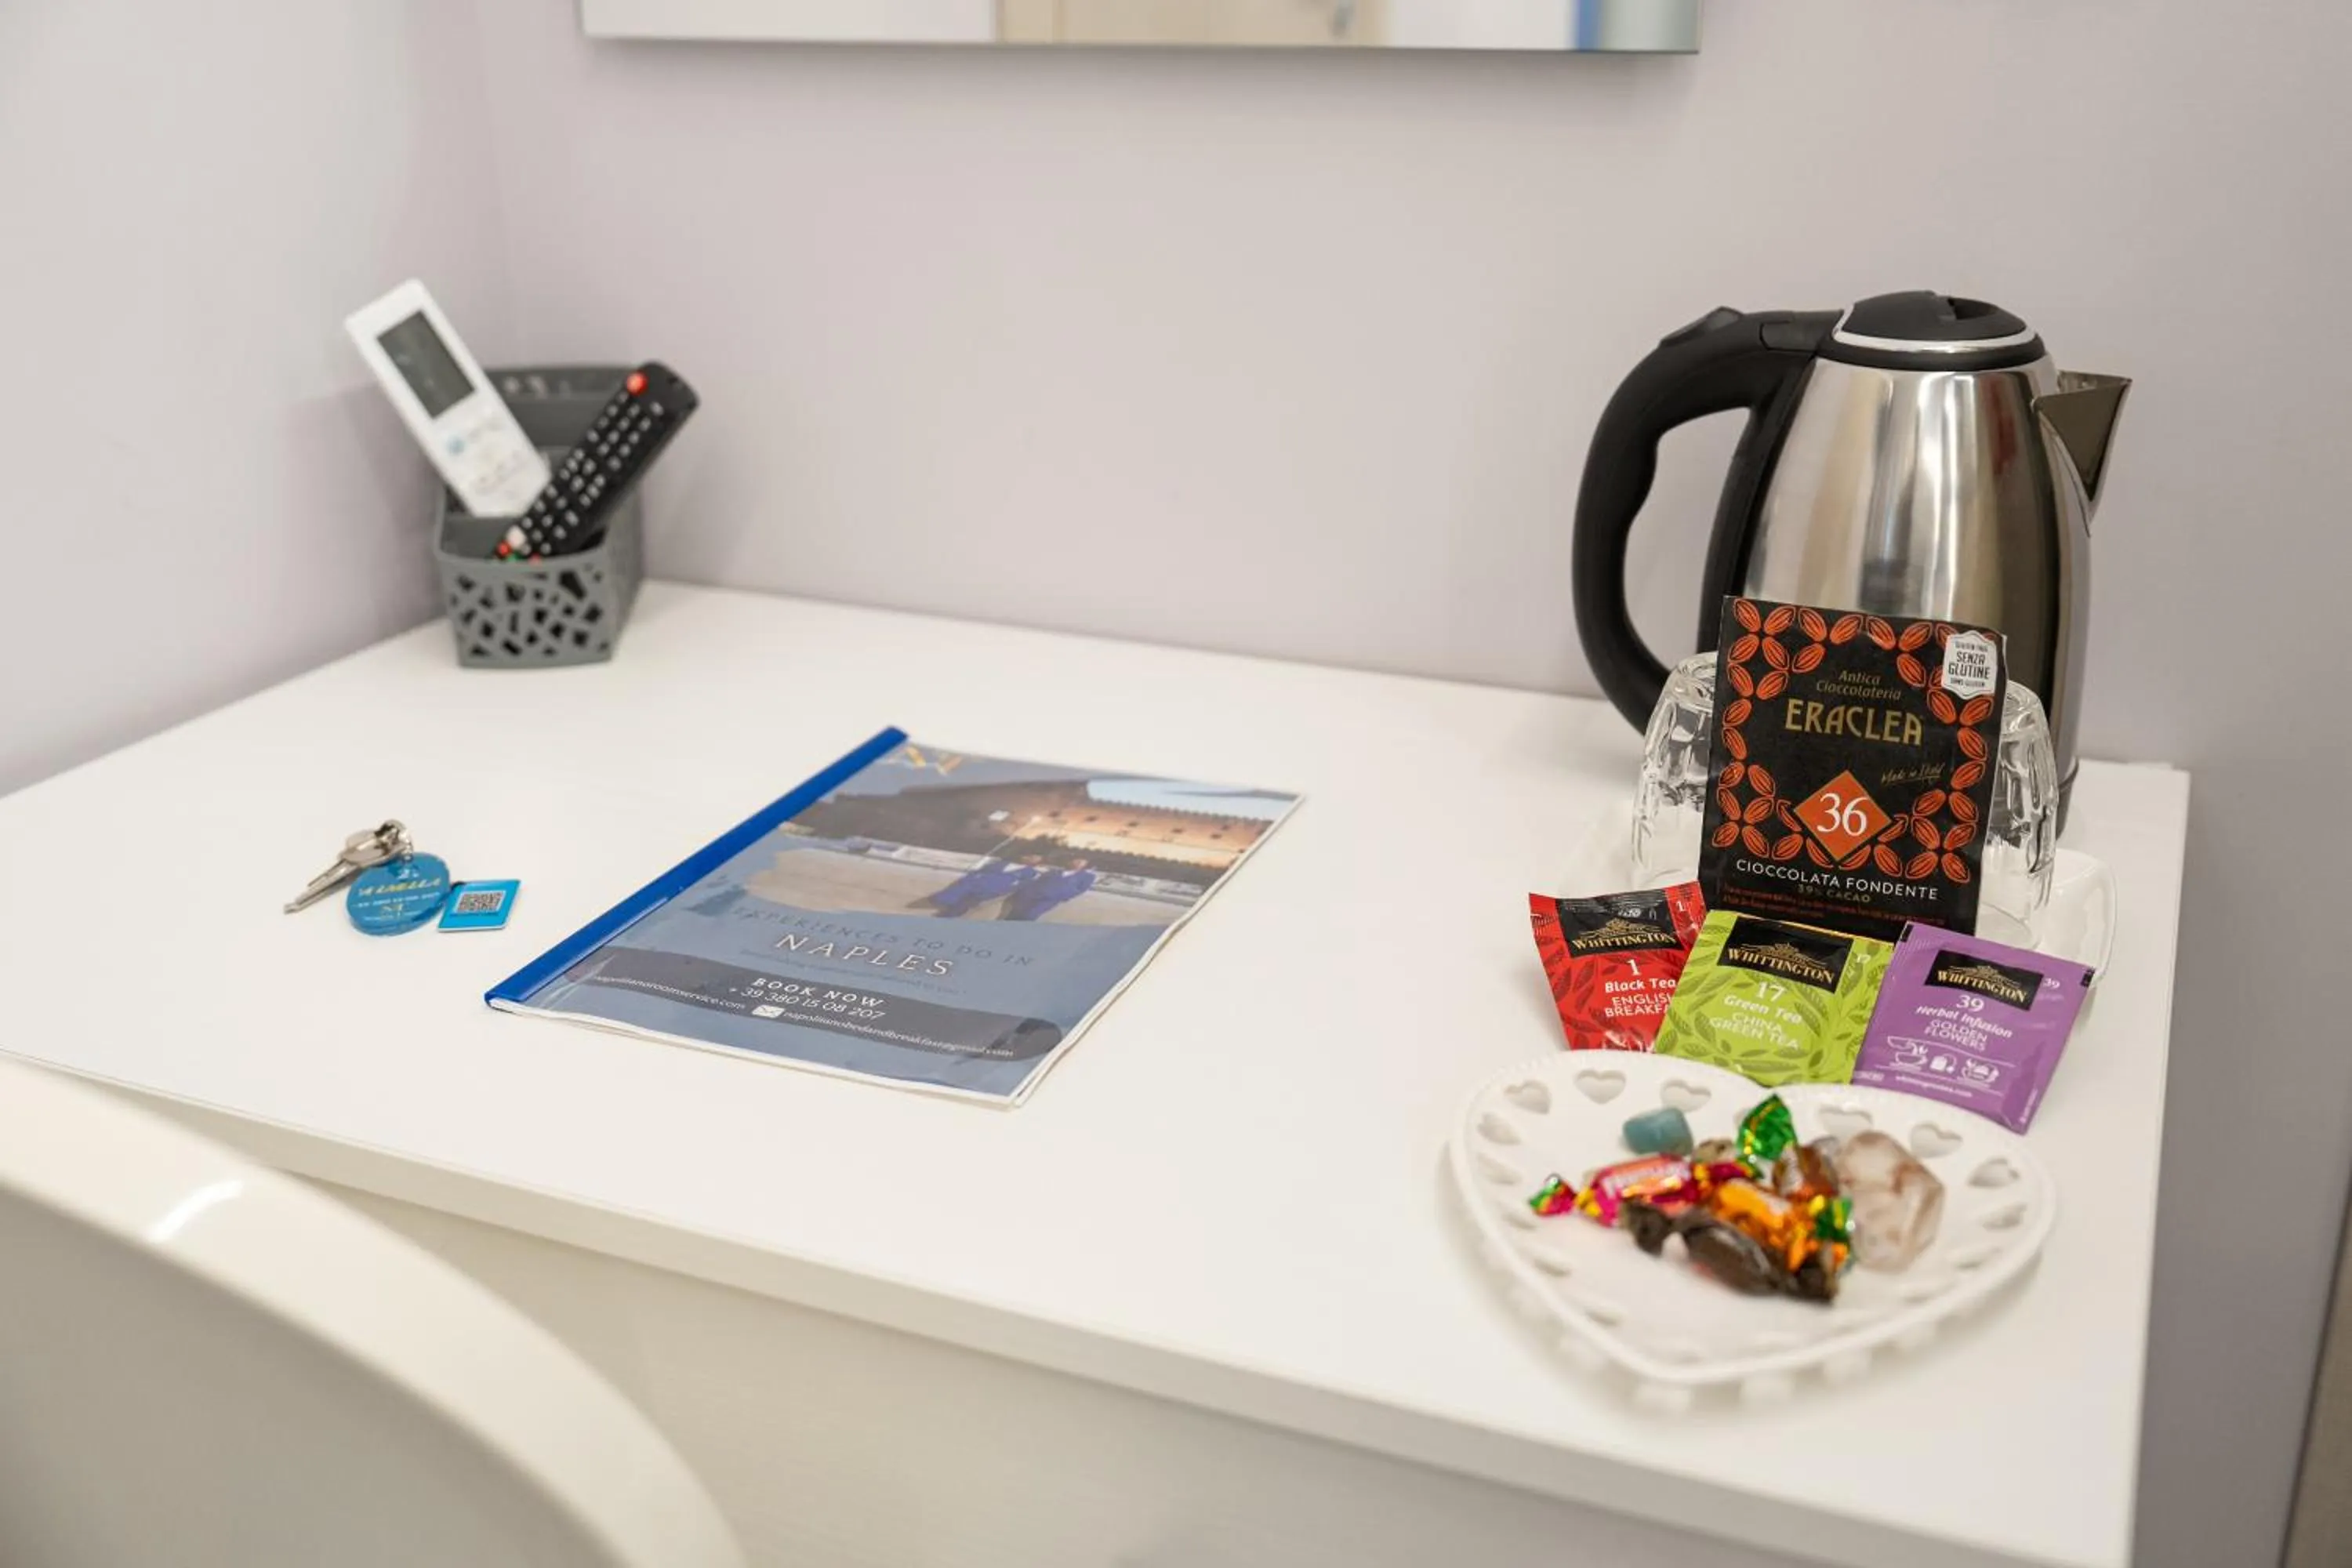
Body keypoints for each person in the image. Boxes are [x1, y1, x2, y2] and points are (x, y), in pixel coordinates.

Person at [915, 855, 1041, 919]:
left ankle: (945, 917)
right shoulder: (1003, 863)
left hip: (990, 890)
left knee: (965, 904)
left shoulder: (1030, 873)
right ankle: (942, 908)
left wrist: (1002, 890)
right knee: (956, 896)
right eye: (1029, 856)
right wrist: (974, 877)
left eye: (1034, 858)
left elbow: (1021, 885)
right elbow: (982, 870)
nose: (1029, 858)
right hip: (977, 883)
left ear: (1036, 863)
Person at [997, 857, 1097, 922]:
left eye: (1081, 862)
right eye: (1075, 860)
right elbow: (1039, 881)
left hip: (1049, 899)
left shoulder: (1086, 877)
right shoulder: (1055, 872)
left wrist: (1063, 896)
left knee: (1029, 916)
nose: (1077, 863)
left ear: (1085, 865)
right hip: (1032, 896)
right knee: (1014, 914)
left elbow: (1081, 890)